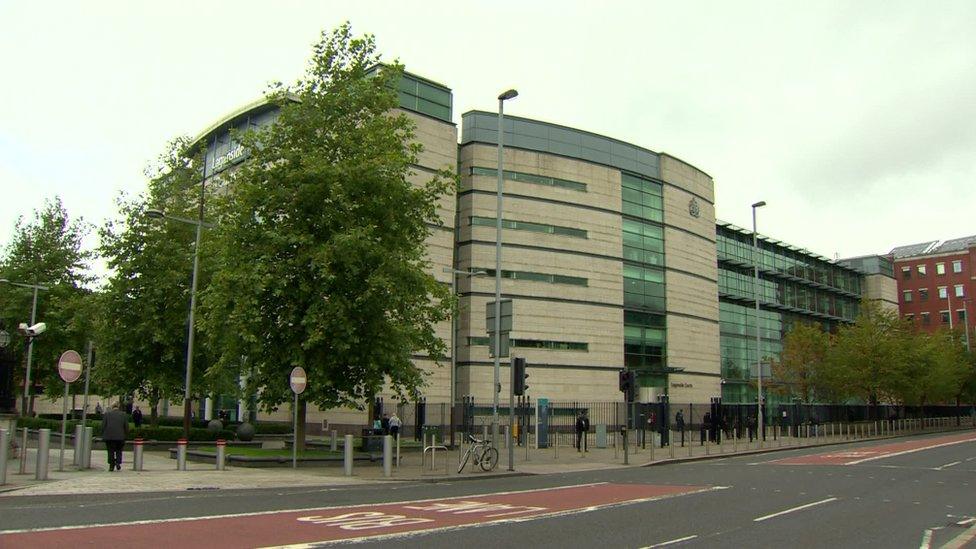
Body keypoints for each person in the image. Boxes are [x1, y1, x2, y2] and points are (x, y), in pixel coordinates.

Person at [102, 403, 129, 471]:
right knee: (119, 450)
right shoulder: (123, 415)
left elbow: (103, 426)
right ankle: (118, 462)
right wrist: (126, 435)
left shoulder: (107, 414)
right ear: (118, 407)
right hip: (120, 437)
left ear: (112, 407)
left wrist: (103, 434)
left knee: (110, 451)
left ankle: (111, 465)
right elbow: (126, 427)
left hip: (109, 437)